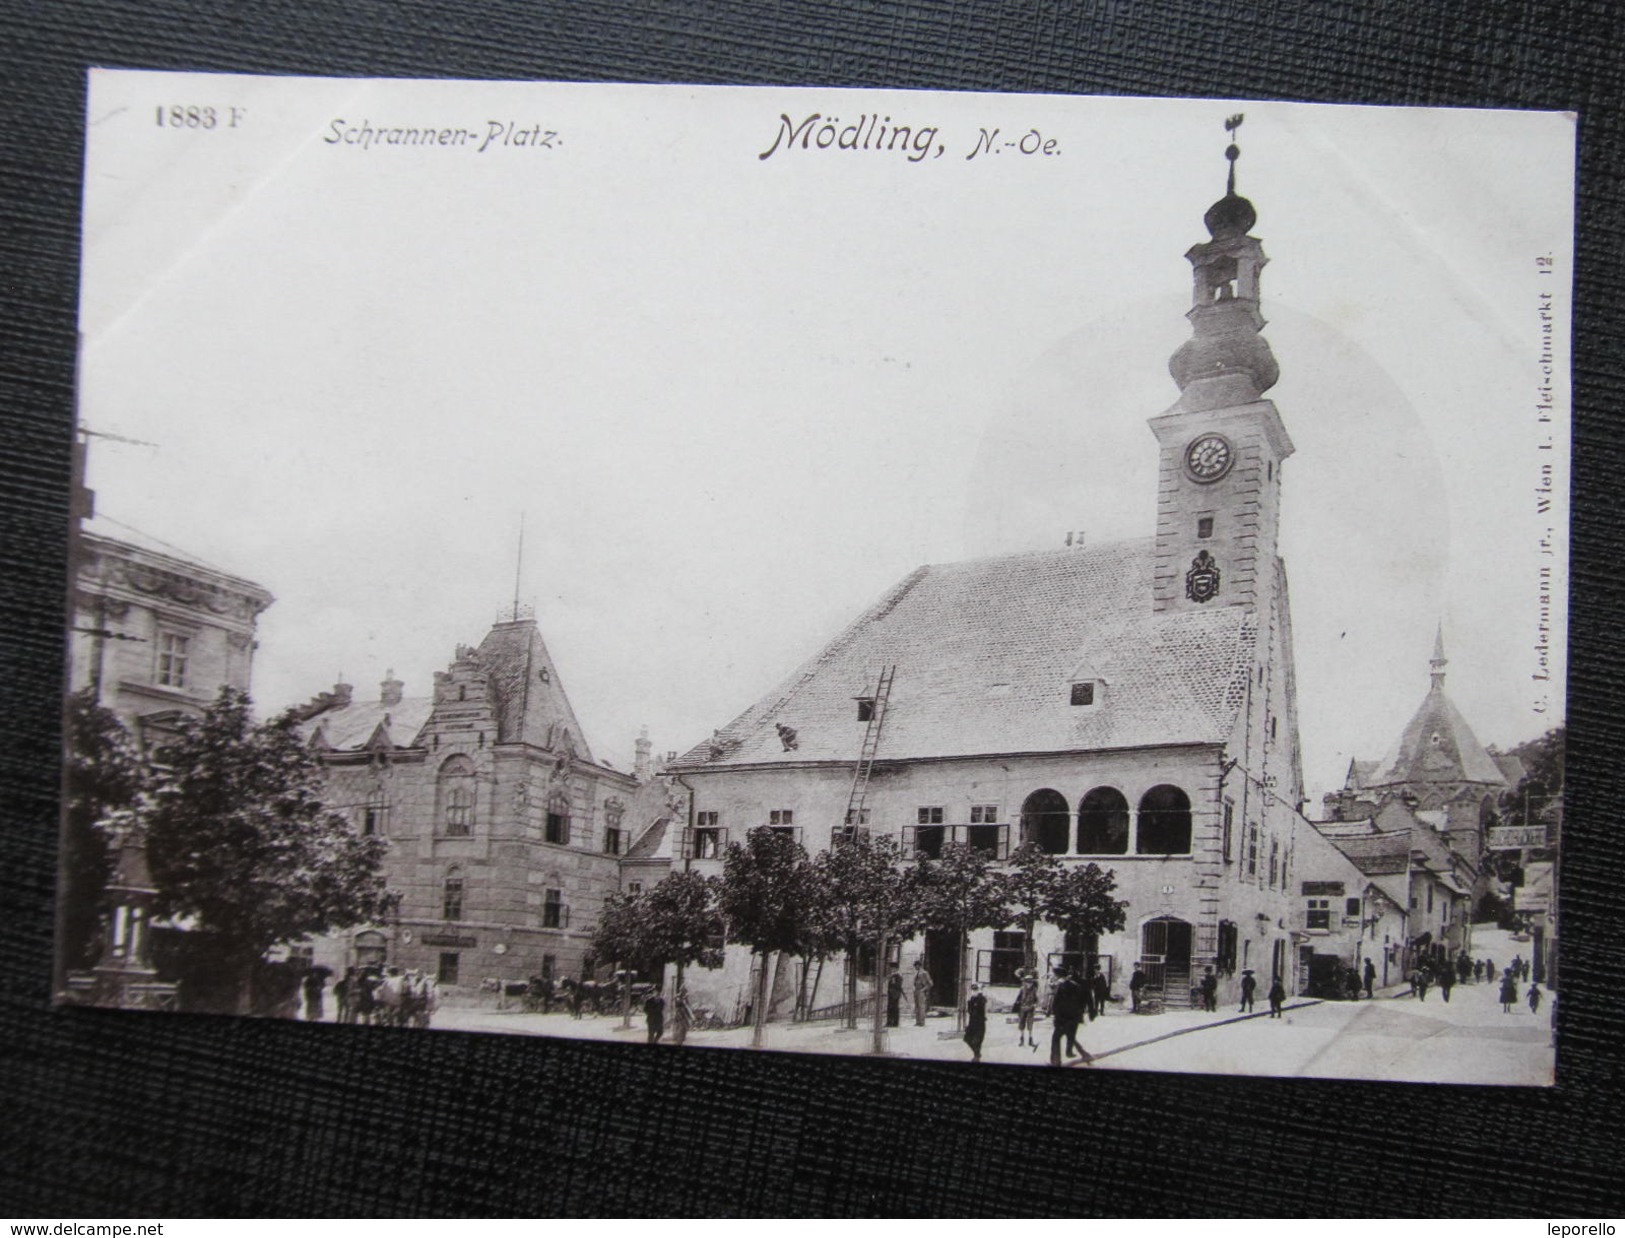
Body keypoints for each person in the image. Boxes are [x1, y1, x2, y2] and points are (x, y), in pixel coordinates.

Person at [1050, 968, 1087, 1067]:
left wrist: (1055, 1016)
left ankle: (1055, 1061)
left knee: (1056, 1038)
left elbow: (1056, 1004)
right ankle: (1069, 1052)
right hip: (1074, 1017)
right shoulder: (1077, 986)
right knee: (1071, 1035)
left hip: (1062, 1018)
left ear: (1059, 976)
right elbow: (1082, 1003)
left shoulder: (1059, 987)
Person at [963, 983, 988, 1063]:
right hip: (972, 1023)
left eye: (976, 990)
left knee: (977, 1041)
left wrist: (980, 992)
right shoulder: (971, 1000)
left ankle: (976, 1056)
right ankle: (977, 1054)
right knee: (967, 1038)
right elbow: (969, 1011)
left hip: (980, 1024)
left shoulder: (981, 999)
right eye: (973, 990)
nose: (974, 991)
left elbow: (983, 1001)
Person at [1015, 968, 1039, 1050]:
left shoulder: (1034, 990)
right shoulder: (1022, 989)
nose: (1029, 984)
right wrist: (1018, 1006)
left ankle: (1030, 1040)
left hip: (1031, 1009)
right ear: (1025, 982)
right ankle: (1021, 1039)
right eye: (1028, 982)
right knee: (1021, 1024)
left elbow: (1036, 999)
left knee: (1030, 1024)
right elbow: (1018, 999)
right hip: (1022, 1009)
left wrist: (1035, 1005)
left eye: (1031, 982)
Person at [911, 959, 932, 1027]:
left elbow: (930, 983)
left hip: (921, 990)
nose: (915, 967)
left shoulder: (924, 973)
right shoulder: (917, 973)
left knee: (921, 1006)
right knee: (917, 1006)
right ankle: (918, 1021)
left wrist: (923, 989)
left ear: (919, 965)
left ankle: (922, 1022)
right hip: (916, 990)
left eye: (916, 966)